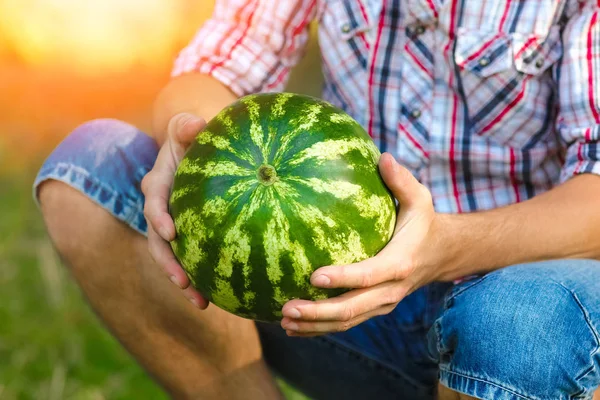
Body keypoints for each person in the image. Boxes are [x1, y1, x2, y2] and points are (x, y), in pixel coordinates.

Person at [35, 0, 600, 399]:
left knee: (515, 321)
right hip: (330, 303)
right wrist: (195, 152)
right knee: (91, 166)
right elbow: (219, 64)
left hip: (528, 321)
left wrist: (442, 248)